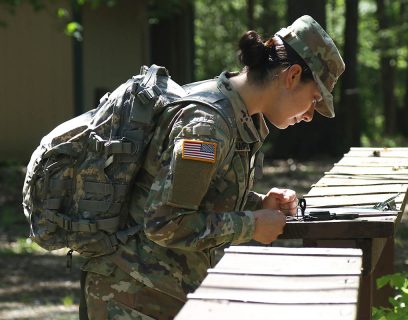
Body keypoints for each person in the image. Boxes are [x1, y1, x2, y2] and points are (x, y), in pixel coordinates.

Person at [81, 15, 345, 319]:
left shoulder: (236, 116)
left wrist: (258, 204)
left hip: (156, 290)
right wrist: (252, 225)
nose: (310, 115)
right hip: (130, 296)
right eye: (313, 99)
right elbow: (164, 222)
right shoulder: (207, 127)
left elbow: (192, 194)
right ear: (292, 75)